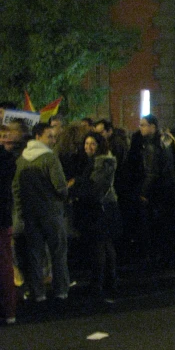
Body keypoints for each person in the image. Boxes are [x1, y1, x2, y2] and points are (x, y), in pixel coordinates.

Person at [12, 122, 70, 302]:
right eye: (49, 136)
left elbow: (16, 189)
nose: (53, 140)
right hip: (51, 212)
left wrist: (21, 212)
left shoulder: (21, 160)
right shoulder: (50, 158)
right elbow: (60, 187)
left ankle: (38, 293)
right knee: (58, 253)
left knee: (35, 255)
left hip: (30, 215)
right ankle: (60, 290)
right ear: (38, 136)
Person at [68, 131, 122, 298]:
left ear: (99, 145)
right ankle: (108, 280)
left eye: (92, 144)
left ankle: (99, 282)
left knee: (100, 245)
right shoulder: (98, 161)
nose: (88, 147)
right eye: (86, 143)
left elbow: (95, 187)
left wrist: (76, 183)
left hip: (102, 207)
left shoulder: (102, 162)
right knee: (105, 245)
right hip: (104, 206)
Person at [137, 114, 175, 269]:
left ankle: (158, 259)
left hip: (158, 191)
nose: (140, 127)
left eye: (143, 125)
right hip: (170, 189)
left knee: (156, 226)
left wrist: (143, 192)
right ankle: (170, 257)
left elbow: (151, 172)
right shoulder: (168, 141)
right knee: (168, 226)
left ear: (152, 127)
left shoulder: (150, 146)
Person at [0, 134, 17, 324]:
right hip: (4, 216)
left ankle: (8, 309)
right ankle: (9, 310)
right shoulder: (7, 159)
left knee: (4, 264)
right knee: (5, 264)